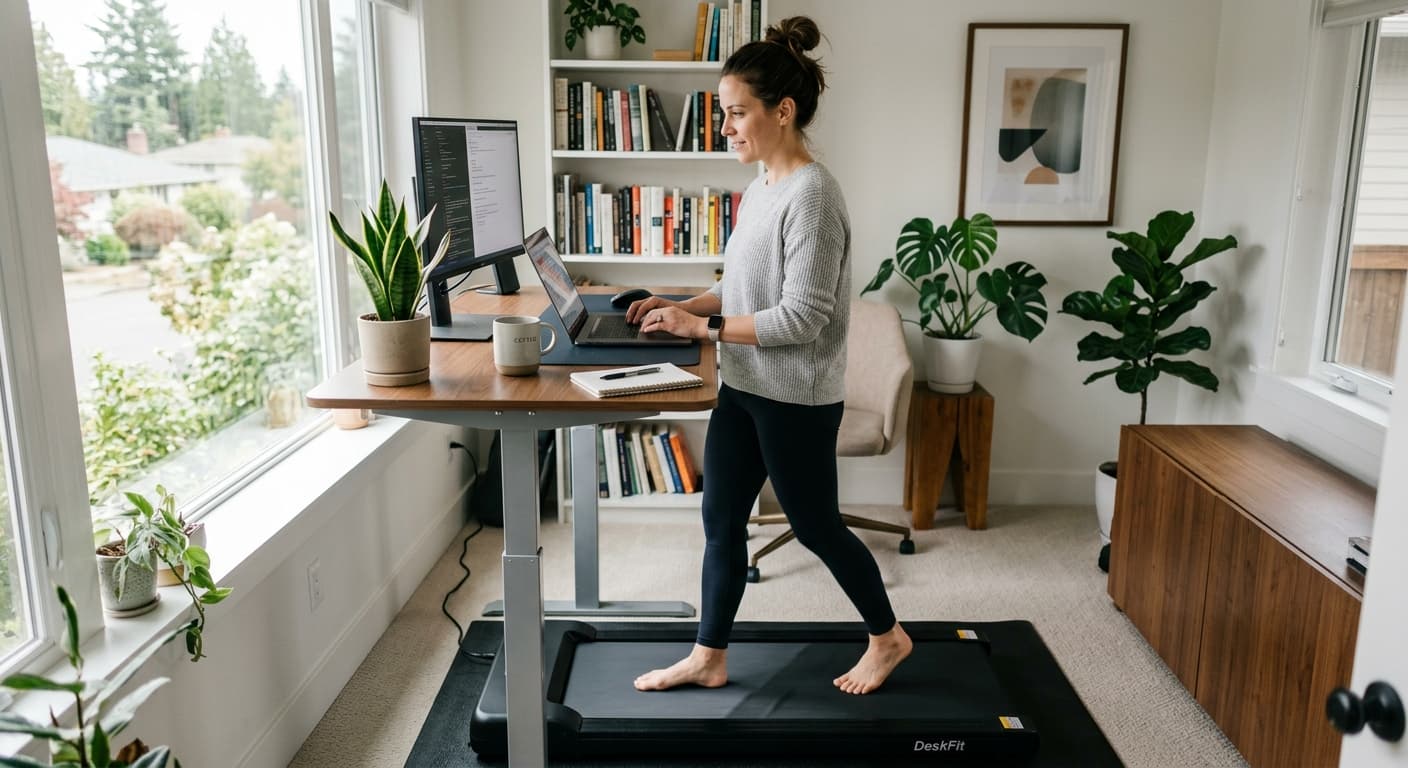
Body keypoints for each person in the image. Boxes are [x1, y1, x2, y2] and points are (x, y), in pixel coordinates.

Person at [626, 16, 911, 696]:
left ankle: (888, 638)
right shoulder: (760, 187)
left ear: (782, 111)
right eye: (722, 113)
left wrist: (702, 329)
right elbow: (742, 288)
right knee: (721, 521)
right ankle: (709, 655)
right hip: (744, 385)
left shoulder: (813, 196)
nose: (724, 128)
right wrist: (681, 305)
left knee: (815, 527)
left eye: (736, 113)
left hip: (795, 397)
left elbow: (803, 318)